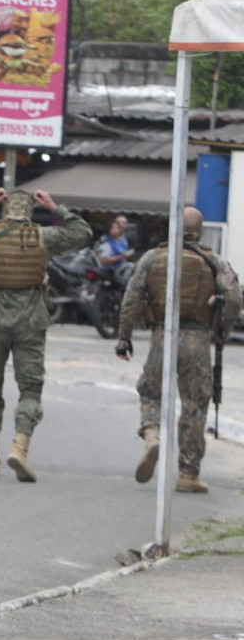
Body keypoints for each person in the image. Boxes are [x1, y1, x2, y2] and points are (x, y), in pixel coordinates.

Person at [0, 188, 92, 482]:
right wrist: (56, 208)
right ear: (30, 209)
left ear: (6, 209)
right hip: (31, 322)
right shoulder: (44, 237)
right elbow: (82, 232)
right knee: (30, 389)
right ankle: (20, 447)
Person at [115, 207, 242, 493]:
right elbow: (234, 298)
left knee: (150, 392)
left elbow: (131, 299)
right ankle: (188, 474)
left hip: (162, 336)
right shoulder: (214, 260)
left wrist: (124, 338)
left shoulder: (152, 257)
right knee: (195, 406)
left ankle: (151, 436)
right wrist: (222, 329)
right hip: (197, 341)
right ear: (199, 231)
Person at [96, 214, 135, 285]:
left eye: (125, 223)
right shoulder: (106, 241)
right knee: (131, 266)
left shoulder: (123, 239)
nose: (124, 225)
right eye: (122, 223)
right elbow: (103, 260)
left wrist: (127, 255)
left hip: (122, 267)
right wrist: (121, 256)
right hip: (111, 270)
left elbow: (123, 252)